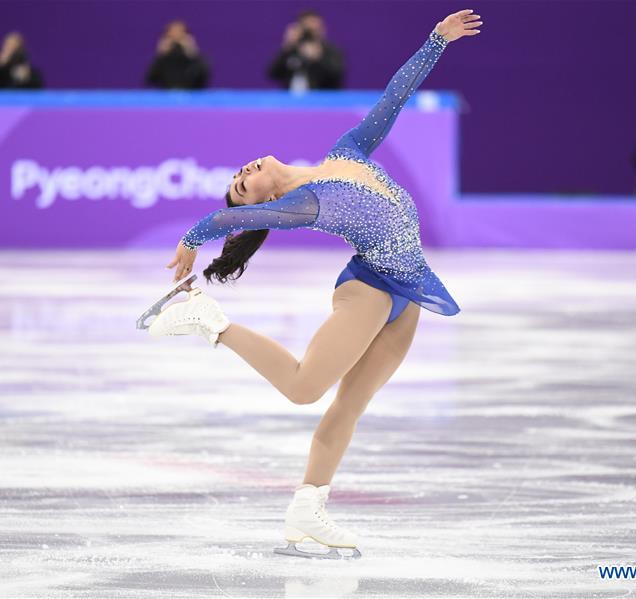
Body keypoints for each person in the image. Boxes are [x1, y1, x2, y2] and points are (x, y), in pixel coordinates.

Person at [145, 9, 482, 559]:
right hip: (371, 287)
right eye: (242, 185)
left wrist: (435, 41)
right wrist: (193, 235)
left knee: (350, 405)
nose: (244, 173)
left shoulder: (346, 151)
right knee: (305, 387)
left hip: (410, 290)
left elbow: (394, 98)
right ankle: (207, 318)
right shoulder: (301, 205)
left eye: (241, 174)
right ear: (264, 203)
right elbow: (231, 221)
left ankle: (308, 507)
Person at [267, 9, 345, 91]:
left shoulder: (332, 50)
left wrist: (317, 58)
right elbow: (272, 73)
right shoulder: (291, 50)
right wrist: (287, 47)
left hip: (322, 99)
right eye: (308, 29)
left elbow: (337, 75)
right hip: (292, 100)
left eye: (315, 29)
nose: (312, 33)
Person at [145, 20, 210, 89]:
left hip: (192, 97)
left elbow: (203, 77)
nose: (176, 40)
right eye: (171, 36)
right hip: (167, 97)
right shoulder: (163, 59)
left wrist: (192, 53)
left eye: (181, 36)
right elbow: (150, 78)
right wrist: (160, 55)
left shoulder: (194, 59)